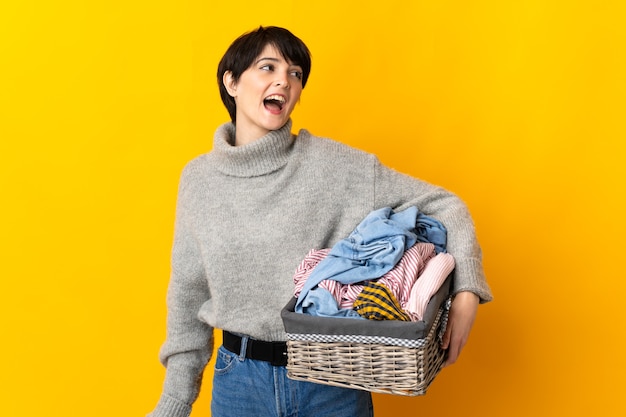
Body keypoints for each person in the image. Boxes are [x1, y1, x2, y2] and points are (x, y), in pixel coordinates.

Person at [148, 26, 493, 417]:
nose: (285, 80)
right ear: (231, 81)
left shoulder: (335, 166)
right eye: (268, 67)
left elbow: (445, 204)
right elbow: (187, 296)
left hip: (329, 381)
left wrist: (466, 290)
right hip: (238, 385)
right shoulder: (199, 181)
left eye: (295, 73)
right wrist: (175, 401)